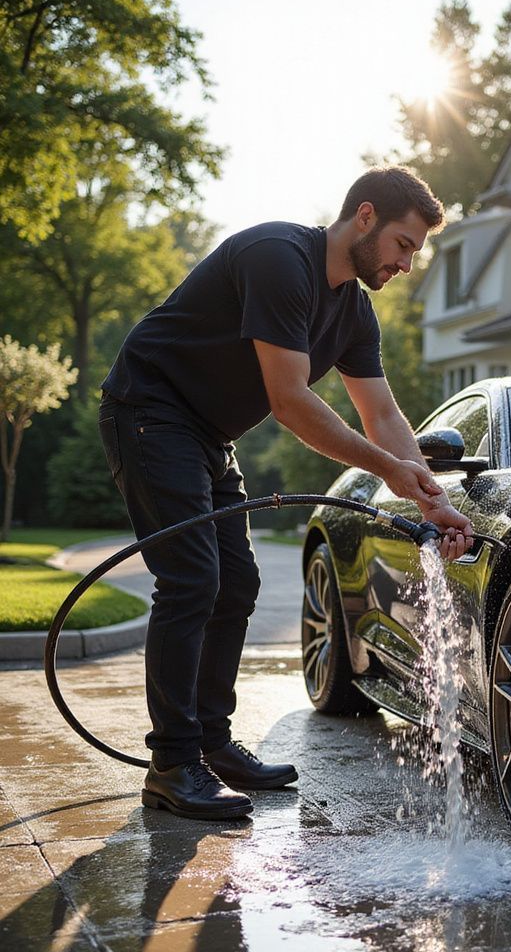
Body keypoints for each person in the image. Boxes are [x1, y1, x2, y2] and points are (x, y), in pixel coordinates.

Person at [98, 166, 473, 822]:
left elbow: (382, 415)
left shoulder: (354, 310)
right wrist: (388, 471)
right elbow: (290, 401)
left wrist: (434, 501)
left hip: (210, 436)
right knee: (192, 581)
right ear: (364, 217)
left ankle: (211, 744)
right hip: (151, 410)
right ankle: (172, 762)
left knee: (235, 584)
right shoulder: (281, 259)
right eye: (405, 245)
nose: (408, 264)